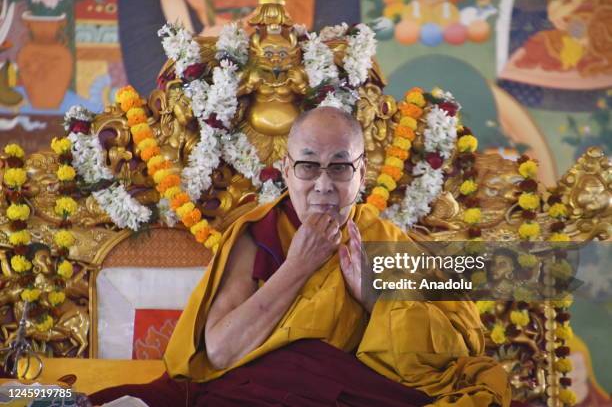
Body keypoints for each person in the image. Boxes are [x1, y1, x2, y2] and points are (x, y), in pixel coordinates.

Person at [90, 107, 511, 406]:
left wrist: (376, 299)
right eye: (309, 167)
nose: (323, 185)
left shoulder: (387, 243)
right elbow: (218, 352)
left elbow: (454, 356)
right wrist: (297, 266)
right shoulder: (259, 235)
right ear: (287, 170)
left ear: (362, 174)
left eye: (340, 167)